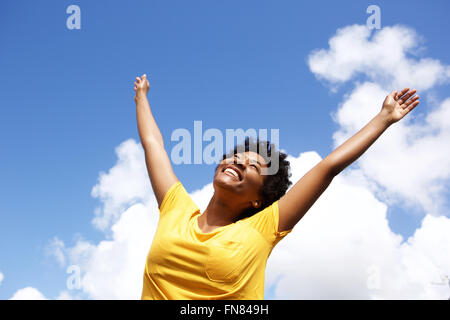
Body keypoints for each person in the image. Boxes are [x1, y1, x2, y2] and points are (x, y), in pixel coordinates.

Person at [134, 74, 420, 300]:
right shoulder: (176, 209)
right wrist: (142, 97)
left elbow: (327, 168)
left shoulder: (262, 228)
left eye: (254, 167)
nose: (239, 162)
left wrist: (383, 119)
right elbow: (153, 144)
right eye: (235, 157)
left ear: (258, 200)